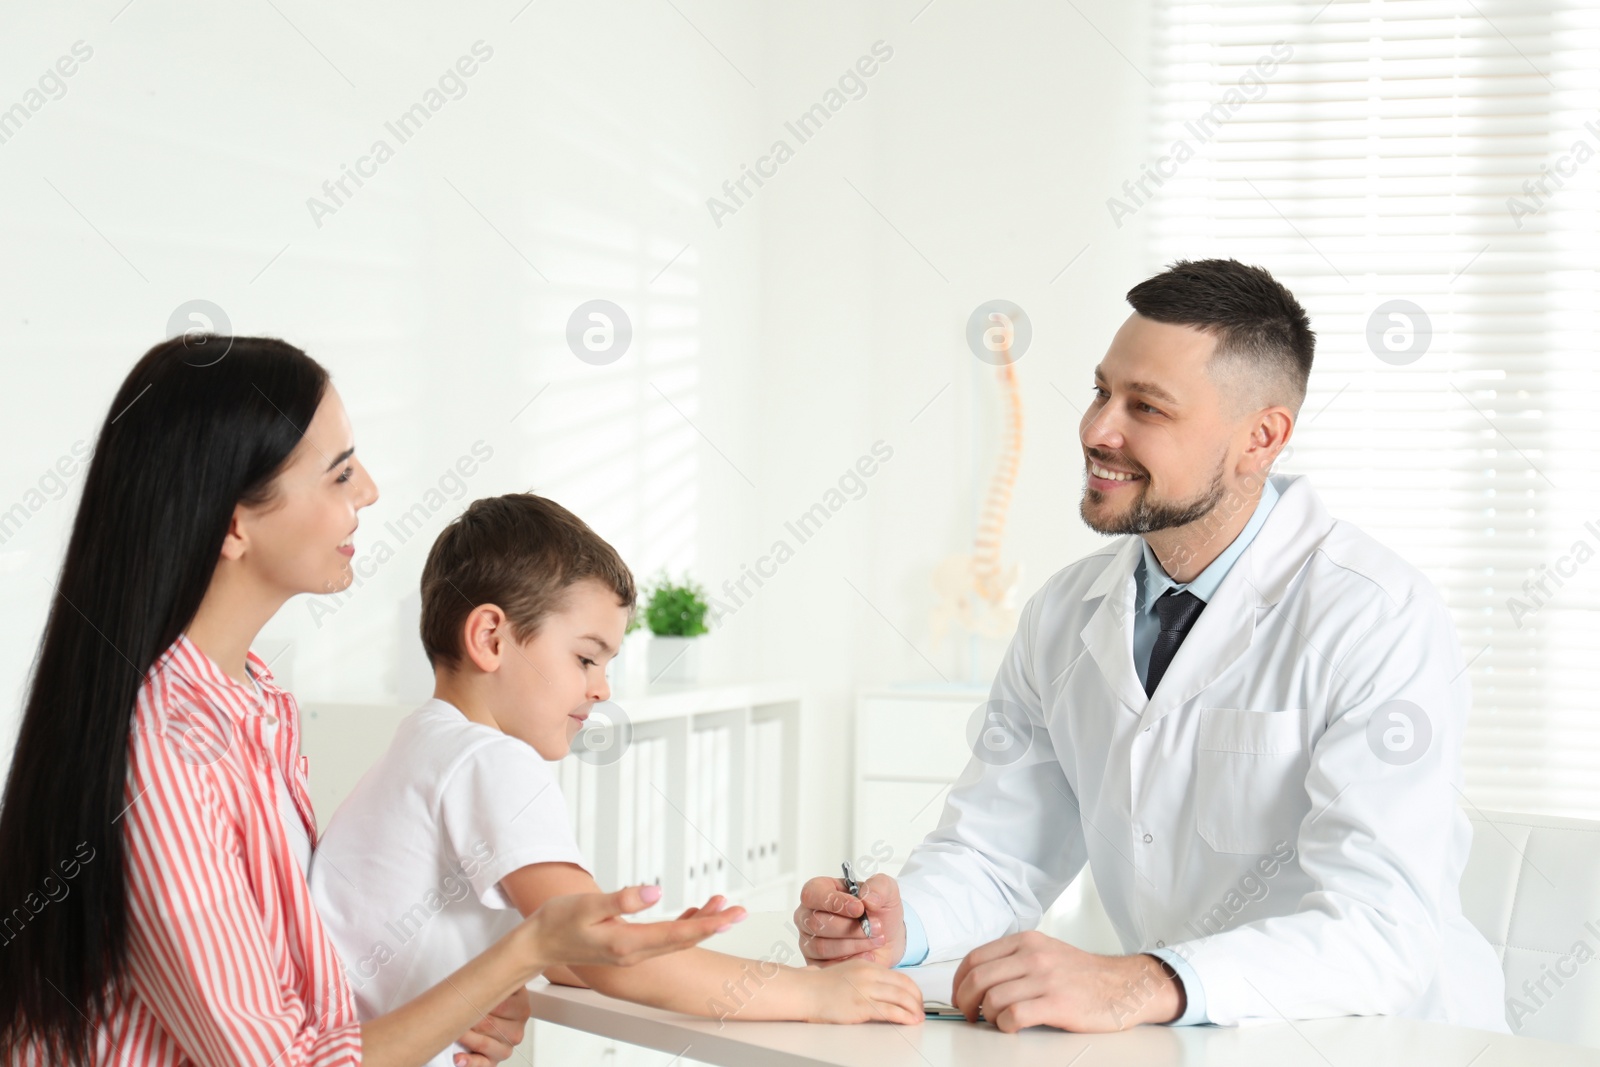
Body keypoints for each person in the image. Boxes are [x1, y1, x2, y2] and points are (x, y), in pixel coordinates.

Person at [794, 259, 1507, 1033]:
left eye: (1148, 407)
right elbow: (998, 853)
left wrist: (1141, 980)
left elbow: (1377, 931)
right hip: (1183, 1038)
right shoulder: (1064, 614)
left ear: (1261, 439)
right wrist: (904, 924)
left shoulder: (1376, 615)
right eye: (1103, 390)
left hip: (1390, 1041)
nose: (1098, 428)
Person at [0, 336, 732, 1066]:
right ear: (234, 522)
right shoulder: (167, 746)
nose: (370, 491)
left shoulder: (253, 703)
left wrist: (461, 1002)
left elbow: (305, 999)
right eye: (339, 472)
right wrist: (519, 954)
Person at [311, 493, 922, 1059]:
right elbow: (598, 955)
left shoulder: (425, 740)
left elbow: (570, 954)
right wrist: (816, 996)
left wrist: (649, 945)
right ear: (491, 637)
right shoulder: (489, 761)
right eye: (585, 658)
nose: (601, 690)